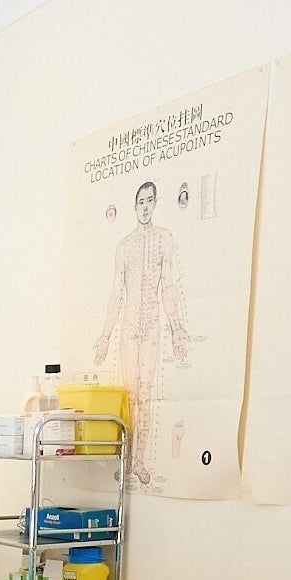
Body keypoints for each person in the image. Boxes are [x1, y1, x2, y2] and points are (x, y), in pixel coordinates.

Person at [94, 181, 191, 484]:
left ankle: (138, 462)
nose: (145, 206)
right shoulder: (124, 246)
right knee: (128, 396)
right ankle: (125, 460)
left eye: (150, 200)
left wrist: (177, 328)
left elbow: (169, 286)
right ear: (134, 206)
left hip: (151, 325)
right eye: (141, 201)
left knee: (145, 396)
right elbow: (116, 293)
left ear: (155, 203)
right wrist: (105, 336)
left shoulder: (164, 239)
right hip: (129, 328)